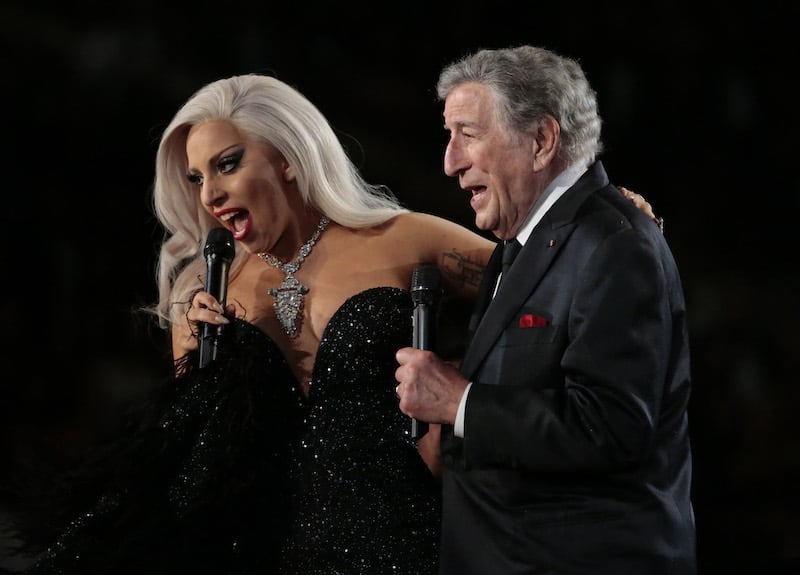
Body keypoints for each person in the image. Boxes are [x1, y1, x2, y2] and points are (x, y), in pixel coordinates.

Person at [0, 72, 659, 575]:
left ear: (285, 155)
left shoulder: (403, 239)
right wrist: (198, 364)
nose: (210, 193)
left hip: (403, 538)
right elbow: (198, 463)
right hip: (260, 551)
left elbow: (545, 276)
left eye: (228, 163)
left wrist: (595, 222)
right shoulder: (208, 292)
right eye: (197, 177)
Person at [395, 45, 696, 574]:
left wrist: (460, 403)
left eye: (467, 134)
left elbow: (613, 427)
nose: (449, 161)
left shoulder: (613, 246)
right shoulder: (527, 240)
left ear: (540, 140)